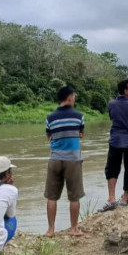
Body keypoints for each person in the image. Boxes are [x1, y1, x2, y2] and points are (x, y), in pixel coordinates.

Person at [44, 86, 85, 237]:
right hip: (73, 160)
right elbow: (81, 134)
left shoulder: (49, 117)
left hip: (55, 159)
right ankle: (74, 229)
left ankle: (50, 230)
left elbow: (49, 137)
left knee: (51, 196)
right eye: (74, 97)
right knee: (74, 196)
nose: (74, 100)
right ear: (69, 98)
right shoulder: (79, 116)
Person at [101, 79, 128, 212]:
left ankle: (111, 198)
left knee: (112, 168)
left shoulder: (111, 104)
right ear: (125, 91)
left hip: (116, 140)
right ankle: (124, 199)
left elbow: (113, 119)